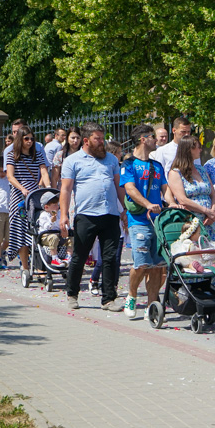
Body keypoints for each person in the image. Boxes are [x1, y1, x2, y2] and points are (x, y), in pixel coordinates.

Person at [60, 122, 127, 311]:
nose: (102, 142)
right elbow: (65, 189)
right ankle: (72, 294)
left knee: (109, 258)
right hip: (86, 215)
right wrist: (63, 215)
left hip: (110, 214)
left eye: (102, 138)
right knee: (79, 257)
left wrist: (124, 210)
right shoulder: (73, 161)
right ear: (87, 140)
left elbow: (118, 186)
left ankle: (108, 299)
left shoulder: (112, 160)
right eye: (98, 139)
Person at [120, 124, 168, 320]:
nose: (156, 140)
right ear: (143, 139)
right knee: (141, 264)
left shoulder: (157, 165)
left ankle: (152, 304)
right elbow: (130, 189)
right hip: (139, 220)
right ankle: (131, 296)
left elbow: (166, 189)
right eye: (152, 137)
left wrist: (173, 203)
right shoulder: (129, 164)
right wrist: (148, 204)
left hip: (158, 221)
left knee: (157, 266)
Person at [6, 127, 51, 272]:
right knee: (21, 231)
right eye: (26, 139)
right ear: (20, 139)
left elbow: (43, 171)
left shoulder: (37, 154)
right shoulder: (12, 155)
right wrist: (21, 188)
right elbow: (10, 176)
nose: (30, 141)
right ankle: (25, 266)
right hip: (19, 195)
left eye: (32, 139)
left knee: (39, 230)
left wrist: (47, 186)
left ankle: (40, 266)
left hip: (34, 195)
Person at [167, 136, 215, 224]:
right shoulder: (175, 173)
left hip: (209, 221)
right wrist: (205, 211)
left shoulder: (201, 170)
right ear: (190, 149)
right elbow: (182, 200)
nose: (200, 150)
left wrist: (212, 213)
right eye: (198, 147)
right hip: (191, 221)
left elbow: (213, 195)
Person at [37, 191, 72, 266]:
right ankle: (54, 258)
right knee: (53, 237)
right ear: (46, 207)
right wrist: (51, 221)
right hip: (46, 236)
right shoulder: (43, 215)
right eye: (54, 205)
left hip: (59, 235)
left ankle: (68, 256)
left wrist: (65, 229)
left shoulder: (59, 213)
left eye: (57, 204)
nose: (57, 207)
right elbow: (46, 227)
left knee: (71, 237)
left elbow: (64, 223)